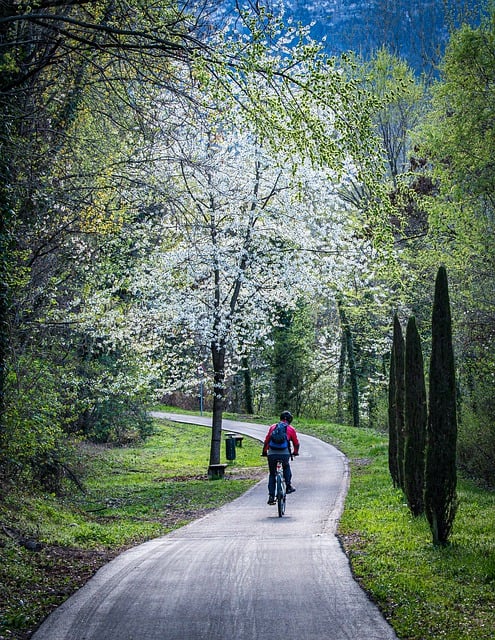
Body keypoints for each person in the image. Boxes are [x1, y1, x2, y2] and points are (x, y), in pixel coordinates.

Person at [262, 410, 300, 505]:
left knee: (272, 474)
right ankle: (288, 486)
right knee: (286, 466)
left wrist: (264, 452)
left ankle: (271, 496)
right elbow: (296, 443)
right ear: (290, 420)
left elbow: (267, 441)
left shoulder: (273, 427)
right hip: (284, 453)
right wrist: (295, 452)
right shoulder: (291, 429)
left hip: (272, 453)